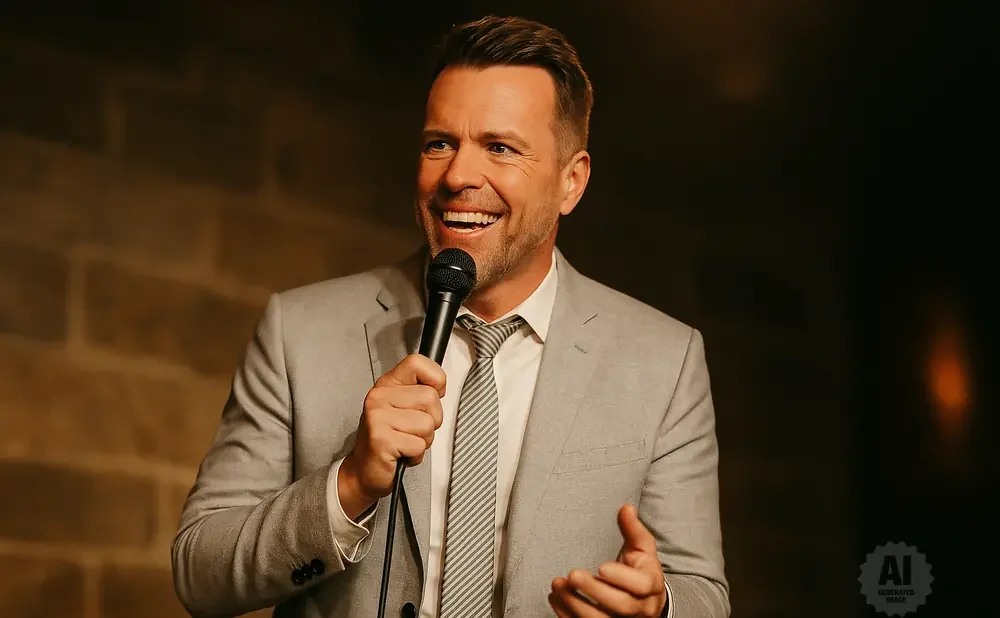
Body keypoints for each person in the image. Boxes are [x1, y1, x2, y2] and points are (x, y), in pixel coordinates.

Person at [172, 15, 729, 618]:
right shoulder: (298, 332)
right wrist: (350, 484)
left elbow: (702, 593)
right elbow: (200, 573)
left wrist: (658, 608)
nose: (458, 176)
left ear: (571, 182)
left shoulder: (664, 359)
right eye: (439, 143)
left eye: (500, 148)